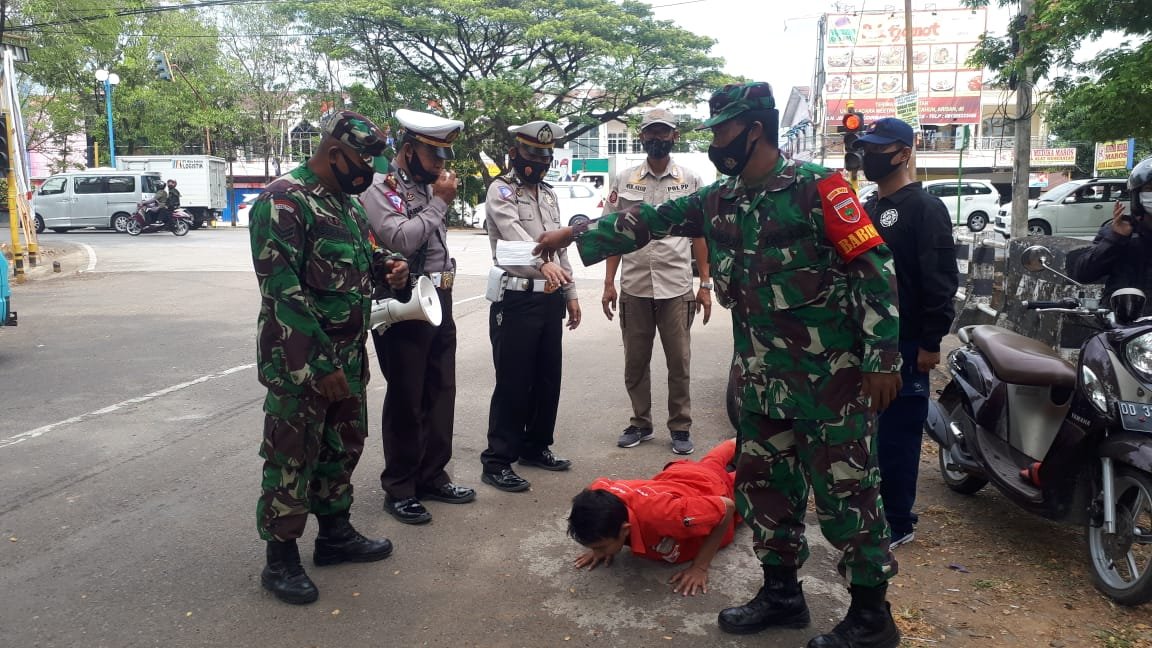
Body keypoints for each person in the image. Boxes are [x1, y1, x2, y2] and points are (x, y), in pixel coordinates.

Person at [535, 82, 903, 648]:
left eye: (723, 130)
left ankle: (872, 617)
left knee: (847, 495)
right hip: (759, 382)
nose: (715, 142)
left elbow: (874, 269)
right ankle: (782, 595)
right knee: (766, 490)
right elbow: (649, 220)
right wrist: (575, 232)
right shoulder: (719, 199)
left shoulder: (819, 189)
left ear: (754, 129)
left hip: (830, 383)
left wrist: (882, 358)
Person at [249, 110, 407, 605]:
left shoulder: (346, 204)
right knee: (292, 455)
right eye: (363, 162)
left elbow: (356, 260)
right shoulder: (283, 202)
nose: (369, 173)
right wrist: (320, 366)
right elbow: (283, 293)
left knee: (342, 446)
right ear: (335, 153)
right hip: (301, 361)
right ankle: (280, 559)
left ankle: (335, 534)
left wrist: (388, 266)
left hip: (348, 352)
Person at [360, 109, 476, 525]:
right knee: (407, 395)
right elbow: (399, 237)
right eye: (434, 156)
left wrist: (435, 199)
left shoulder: (427, 188)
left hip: (439, 294)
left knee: (441, 388)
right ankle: (401, 486)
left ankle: (433, 475)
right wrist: (440, 203)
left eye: (444, 157)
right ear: (409, 151)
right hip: (403, 296)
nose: (441, 166)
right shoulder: (382, 188)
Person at [853, 117, 959, 549]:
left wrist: (931, 342)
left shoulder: (924, 208)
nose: (869, 156)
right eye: (866, 148)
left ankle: (898, 521)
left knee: (898, 435)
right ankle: (869, 510)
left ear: (903, 153)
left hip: (908, 342)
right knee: (867, 433)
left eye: (878, 148)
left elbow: (940, 279)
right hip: (867, 342)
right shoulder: (868, 208)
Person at [601, 108, 711, 455]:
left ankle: (680, 426)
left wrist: (705, 285)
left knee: (679, 361)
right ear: (642, 136)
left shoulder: (690, 180)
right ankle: (640, 422)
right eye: (651, 132)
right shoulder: (624, 179)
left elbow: (700, 236)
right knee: (635, 361)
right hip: (634, 285)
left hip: (676, 287)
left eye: (663, 133)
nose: (657, 138)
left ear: (674, 136)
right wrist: (608, 282)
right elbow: (613, 233)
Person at [480, 120, 581, 493]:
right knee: (513, 381)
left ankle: (535, 446)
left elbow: (559, 247)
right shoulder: (501, 190)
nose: (539, 161)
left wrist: (570, 293)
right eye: (532, 153)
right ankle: (497, 460)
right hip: (517, 298)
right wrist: (542, 264)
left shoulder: (549, 195)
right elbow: (513, 234)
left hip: (549, 297)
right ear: (515, 153)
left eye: (544, 155)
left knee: (547, 378)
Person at [567, 439, 738, 596]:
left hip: (711, 486)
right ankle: (737, 441)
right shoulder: (601, 494)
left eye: (601, 547)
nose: (597, 553)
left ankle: (744, 441)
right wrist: (597, 543)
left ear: (625, 529)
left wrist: (700, 567)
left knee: (749, 477)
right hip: (677, 475)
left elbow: (727, 507)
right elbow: (596, 484)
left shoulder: (666, 516)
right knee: (711, 461)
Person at [1068, 156, 1152, 317]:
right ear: (1136, 196)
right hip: (1123, 322)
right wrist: (1115, 239)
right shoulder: (1121, 230)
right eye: (1150, 188)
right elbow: (1084, 274)